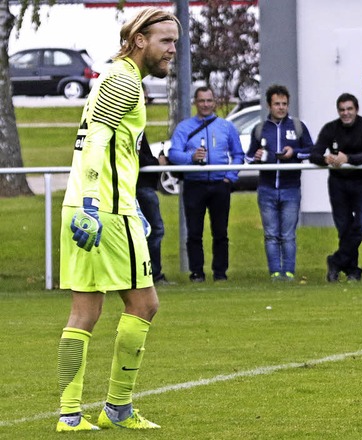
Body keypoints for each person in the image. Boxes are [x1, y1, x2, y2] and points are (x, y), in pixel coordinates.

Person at [56, 8, 179, 432]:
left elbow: (107, 148)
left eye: (175, 42)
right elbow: (96, 143)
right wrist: (95, 203)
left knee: (84, 313)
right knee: (144, 305)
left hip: (86, 205)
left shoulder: (113, 75)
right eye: (166, 41)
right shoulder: (125, 80)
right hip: (103, 209)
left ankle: (69, 417)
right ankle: (117, 409)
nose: (172, 51)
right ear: (140, 40)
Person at [168, 86, 244, 282]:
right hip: (194, 185)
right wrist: (191, 157)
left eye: (209, 101)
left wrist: (230, 177)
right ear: (195, 102)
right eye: (201, 101)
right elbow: (174, 154)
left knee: (221, 232)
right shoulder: (184, 127)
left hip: (220, 185)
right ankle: (197, 273)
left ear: (214, 102)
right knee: (194, 232)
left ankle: (220, 273)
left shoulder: (226, 127)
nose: (205, 105)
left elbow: (238, 155)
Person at [245, 84, 313, 281]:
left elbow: (312, 150)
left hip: (291, 189)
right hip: (266, 190)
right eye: (277, 104)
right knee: (271, 234)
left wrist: (295, 153)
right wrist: (256, 156)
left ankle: (289, 272)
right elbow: (248, 157)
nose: (281, 108)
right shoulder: (260, 129)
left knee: (288, 235)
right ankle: (275, 272)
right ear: (269, 105)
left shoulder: (298, 127)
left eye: (284, 104)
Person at [310, 93, 362, 282]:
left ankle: (335, 261)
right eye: (342, 110)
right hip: (338, 184)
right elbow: (314, 154)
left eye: (349, 109)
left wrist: (347, 159)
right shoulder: (330, 128)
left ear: (356, 109)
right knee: (345, 229)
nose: (346, 113)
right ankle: (352, 271)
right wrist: (325, 159)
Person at [137, 133, 171, 285]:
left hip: (139, 187)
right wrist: (157, 162)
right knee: (153, 230)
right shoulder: (130, 126)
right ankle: (153, 275)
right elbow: (135, 157)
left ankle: (146, 274)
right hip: (140, 187)